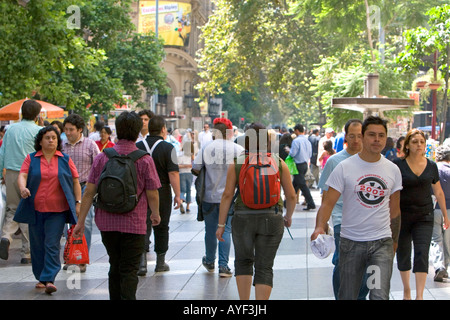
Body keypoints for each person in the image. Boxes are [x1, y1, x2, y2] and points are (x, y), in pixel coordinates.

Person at [311, 116, 402, 300]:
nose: (377, 139)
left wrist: (394, 241)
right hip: (351, 243)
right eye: (371, 135)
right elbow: (328, 203)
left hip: (381, 244)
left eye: (381, 135)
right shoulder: (343, 167)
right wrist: (320, 227)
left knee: (379, 295)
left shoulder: (393, 170)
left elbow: (395, 210)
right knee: (348, 295)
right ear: (363, 136)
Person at [72, 111, 161, 300]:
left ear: (117, 131)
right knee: (129, 269)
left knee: (115, 264)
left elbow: (89, 192)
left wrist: (80, 222)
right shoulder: (144, 159)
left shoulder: (103, 157)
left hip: (107, 222)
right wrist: (155, 213)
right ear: (137, 132)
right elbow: (152, 191)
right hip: (135, 224)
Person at [216, 123, 296, 300]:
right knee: (265, 266)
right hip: (272, 218)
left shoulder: (238, 162)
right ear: (268, 141)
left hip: (242, 218)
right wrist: (288, 216)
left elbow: (227, 195)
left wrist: (221, 225)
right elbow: (291, 195)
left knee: (243, 262)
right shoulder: (278, 162)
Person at [14, 126, 81, 294]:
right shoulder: (31, 158)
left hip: (57, 211)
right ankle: (41, 276)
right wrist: (23, 188)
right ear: (40, 141)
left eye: (54, 138)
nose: (51, 140)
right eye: (47, 137)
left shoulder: (65, 159)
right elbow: (22, 175)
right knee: (37, 246)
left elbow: (75, 181)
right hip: (35, 209)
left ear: (58, 141)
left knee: (51, 244)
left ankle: (49, 278)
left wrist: (78, 202)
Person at [393, 129, 450, 300]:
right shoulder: (398, 165)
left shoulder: (431, 165)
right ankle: (406, 290)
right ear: (408, 145)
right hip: (403, 216)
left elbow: (438, 192)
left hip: (425, 216)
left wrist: (446, 215)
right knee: (403, 254)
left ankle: (419, 296)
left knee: (422, 253)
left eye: (422, 142)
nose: (419, 145)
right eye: (415, 142)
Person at [317, 119, 369, 300]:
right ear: (346, 136)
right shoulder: (334, 161)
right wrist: (322, 224)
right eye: (352, 136)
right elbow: (325, 196)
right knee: (342, 263)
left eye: (360, 136)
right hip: (342, 221)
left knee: (366, 265)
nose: (356, 140)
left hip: (368, 223)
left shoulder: (372, 161)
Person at [193, 117, 244, 277]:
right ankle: (223, 265)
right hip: (230, 198)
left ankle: (209, 260)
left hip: (209, 196)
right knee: (226, 229)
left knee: (210, 230)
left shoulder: (207, 147)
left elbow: (195, 168)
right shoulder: (237, 149)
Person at [136, 115, 181, 274]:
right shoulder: (169, 148)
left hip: (140, 193)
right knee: (162, 226)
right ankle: (160, 262)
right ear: (163, 129)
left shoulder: (137, 145)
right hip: (162, 192)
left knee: (142, 226)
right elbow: (174, 173)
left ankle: (141, 263)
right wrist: (177, 194)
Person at [0, 99, 43, 263]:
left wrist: (1, 172)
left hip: (11, 172)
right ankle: (27, 253)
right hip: (30, 174)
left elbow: (2, 153)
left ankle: (6, 236)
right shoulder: (39, 130)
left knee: (13, 209)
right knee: (29, 210)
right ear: (37, 114)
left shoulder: (10, 130)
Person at [62, 114, 100, 272]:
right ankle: (70, 256)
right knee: (66, 223)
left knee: (86, 222)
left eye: (71, 130)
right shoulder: (61, 146)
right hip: (66, 188)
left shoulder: (90, 145)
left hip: (85, 188)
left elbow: (98, 167)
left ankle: (82, 258)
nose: (68, 133)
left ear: (79, 130)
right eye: (66, 130)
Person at [431, 144, 450, 282]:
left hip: (434, 208)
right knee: (448, 241)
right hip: (449, 209)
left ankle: (439, 266)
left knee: (436, 240)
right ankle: (447, 267)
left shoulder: (432, 169)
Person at [289, 124, 315, 210]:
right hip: (304, 164)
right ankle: (287, 202)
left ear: (296, 130)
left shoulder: (296, 141)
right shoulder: (307, 141)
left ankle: (311, 203)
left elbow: (292, 153)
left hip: (298, 164)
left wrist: (288, 150)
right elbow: (310, 154)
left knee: (302, 185)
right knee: (295, 184)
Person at [178, 141, 194, 214]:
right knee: (188, 190)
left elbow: (177, 166)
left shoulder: (179, 155)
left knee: (182, 189)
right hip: (189, 173)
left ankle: (181, 201)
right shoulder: (191, 155)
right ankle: (187, 207)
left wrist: (183, 165)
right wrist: (187, 165)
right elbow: (193, 165)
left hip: (181, 173)